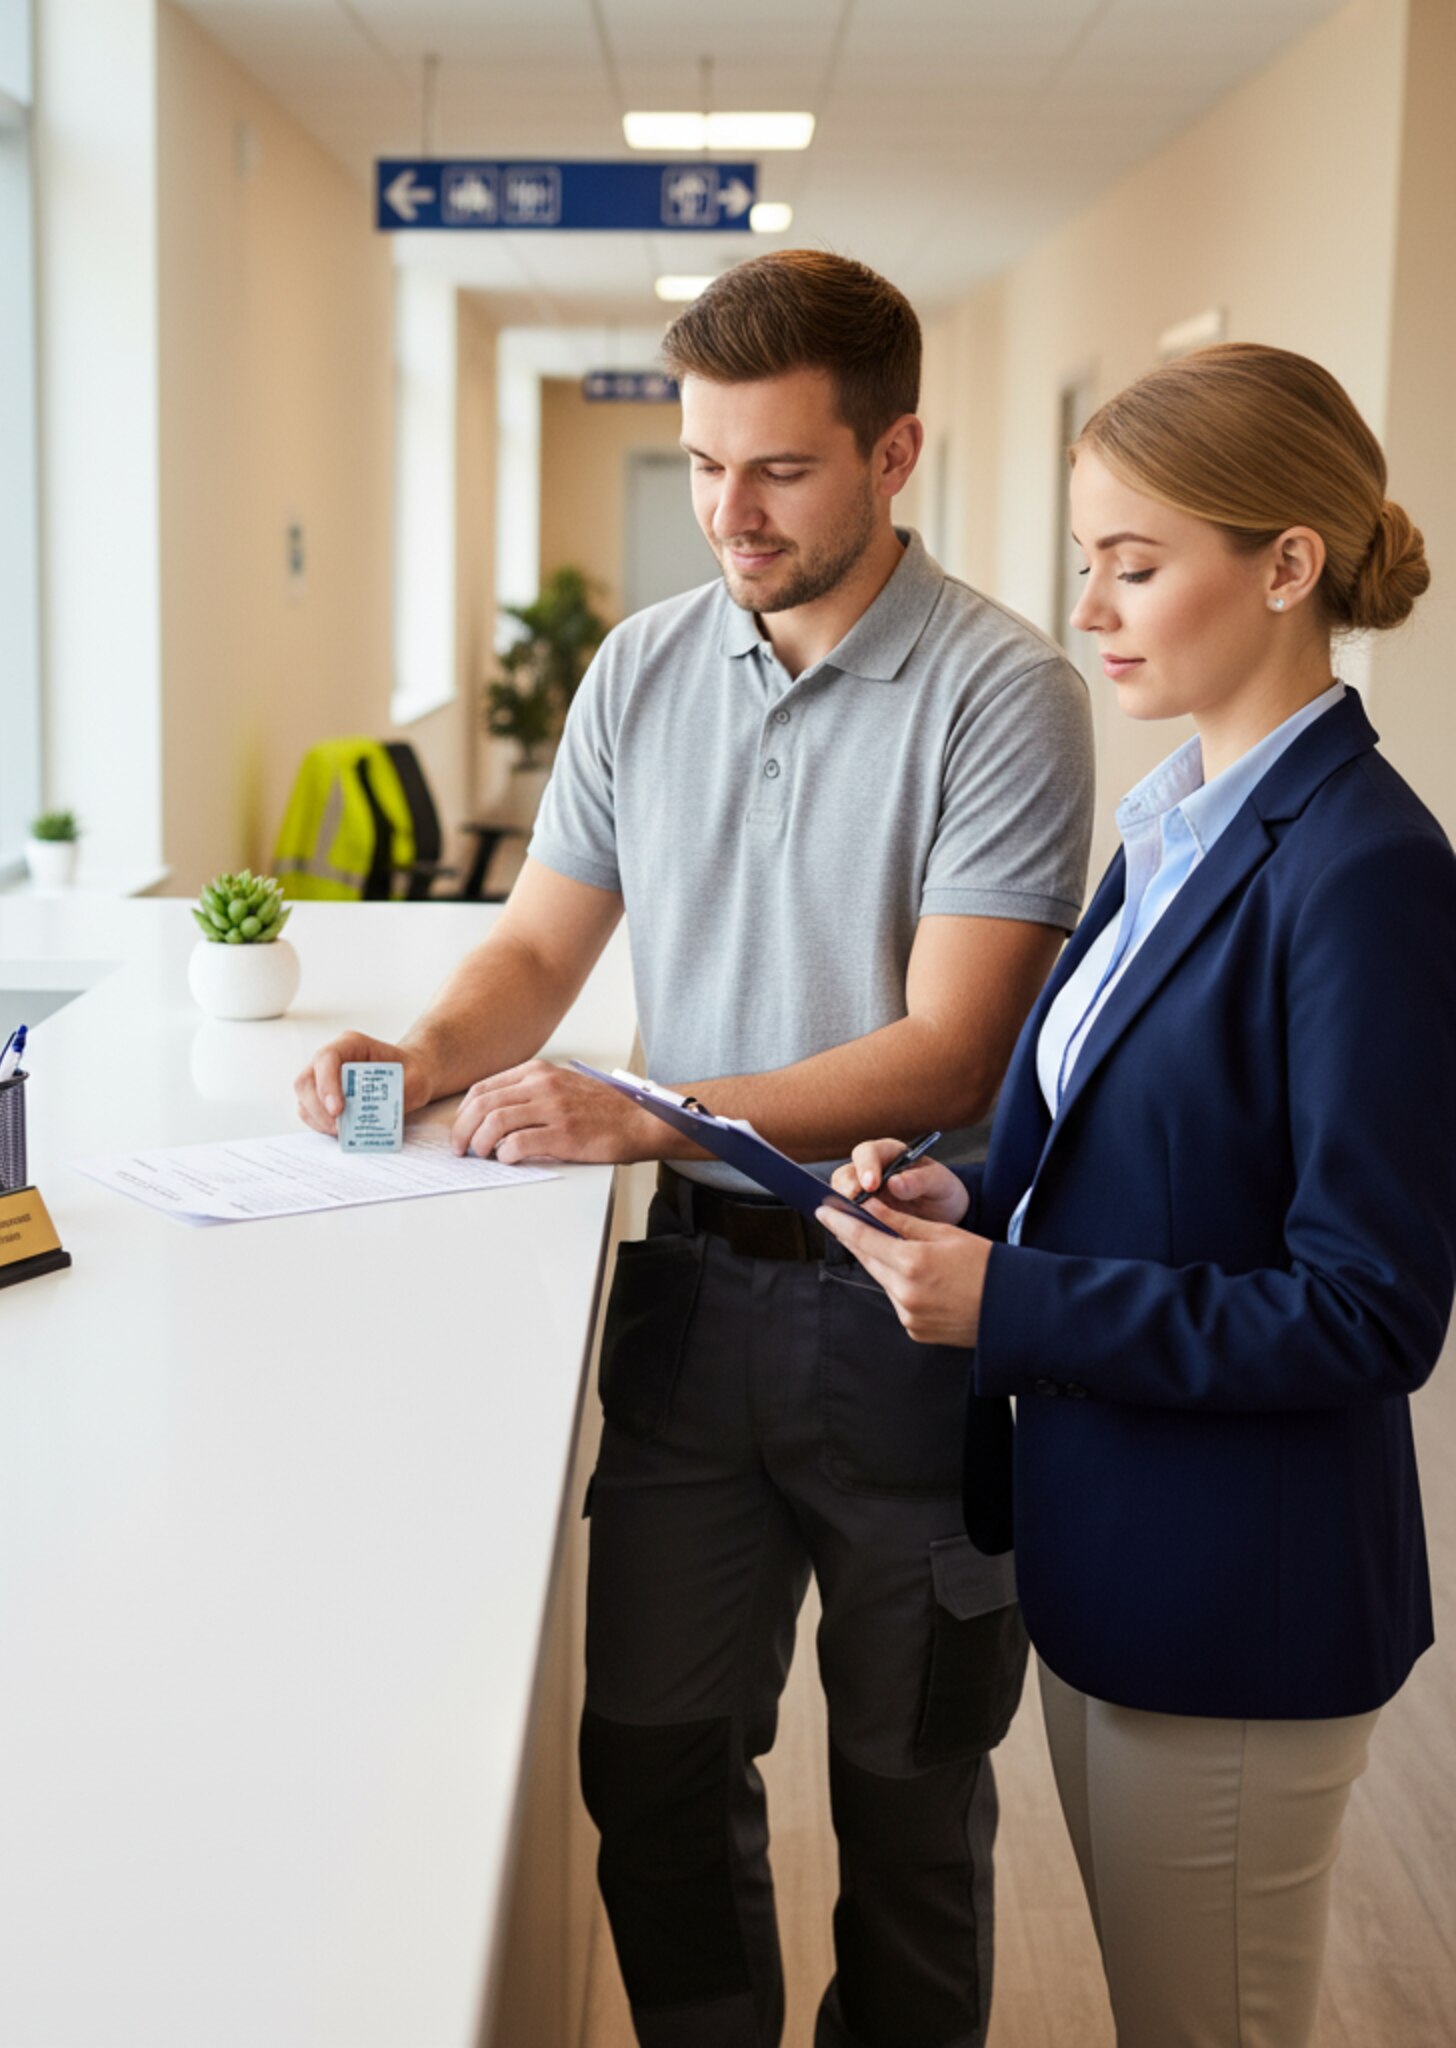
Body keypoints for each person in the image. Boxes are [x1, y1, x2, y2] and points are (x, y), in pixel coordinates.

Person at [295, 250, 1096, 2048]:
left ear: (894, 455)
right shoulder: (642, 668)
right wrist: (416, 1055)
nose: (729, 512)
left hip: (905, 1311)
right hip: (693, 1306)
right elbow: (537, 950)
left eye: (781, 470)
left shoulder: (1005, 691)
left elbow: (951, 1047)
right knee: (650, 1768)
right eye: (705, 464)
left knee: (907, 1800)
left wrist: (654, 1106)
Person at [818, 341, 1450, 2048]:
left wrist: (1006, 1302)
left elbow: (1370, 1311)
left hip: (1243, 1596)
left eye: (1136, 564)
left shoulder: (1368, 870)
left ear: (1289, 564)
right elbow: (1139, 1151)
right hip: (1117, 1558)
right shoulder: (1175, 824)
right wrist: (967, 1201)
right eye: (1085, 558)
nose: (1089, 607)